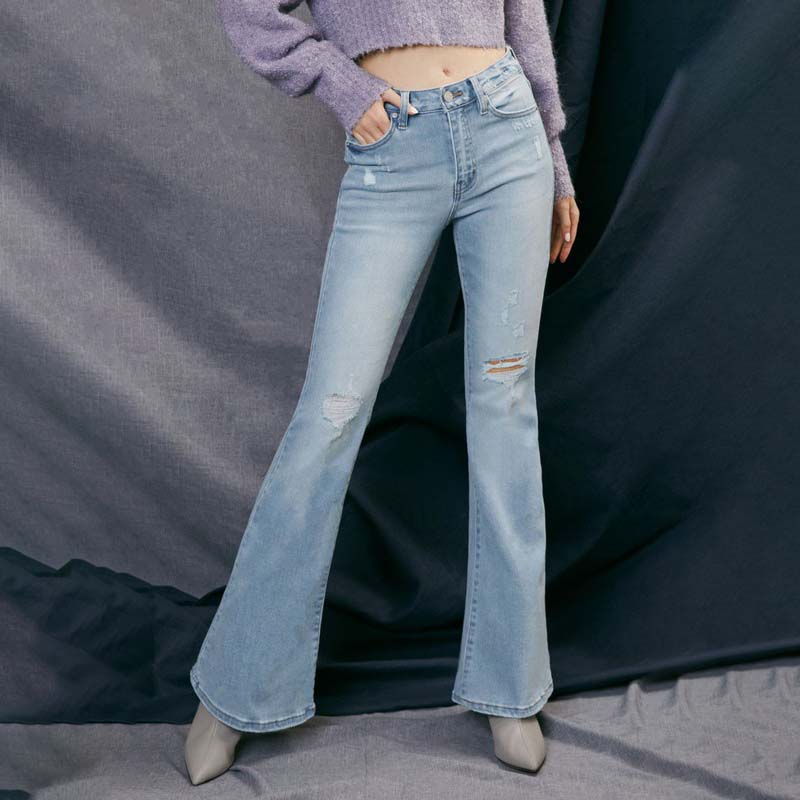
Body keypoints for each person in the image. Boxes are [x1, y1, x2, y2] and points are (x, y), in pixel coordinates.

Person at [184, 0, 580, 785]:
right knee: (330, 416)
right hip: (396, 143)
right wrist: (338, 82)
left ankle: (510, 687)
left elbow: (522, 14)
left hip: (508, 131)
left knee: (505, 408)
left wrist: (555, 156)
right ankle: (233, 689)